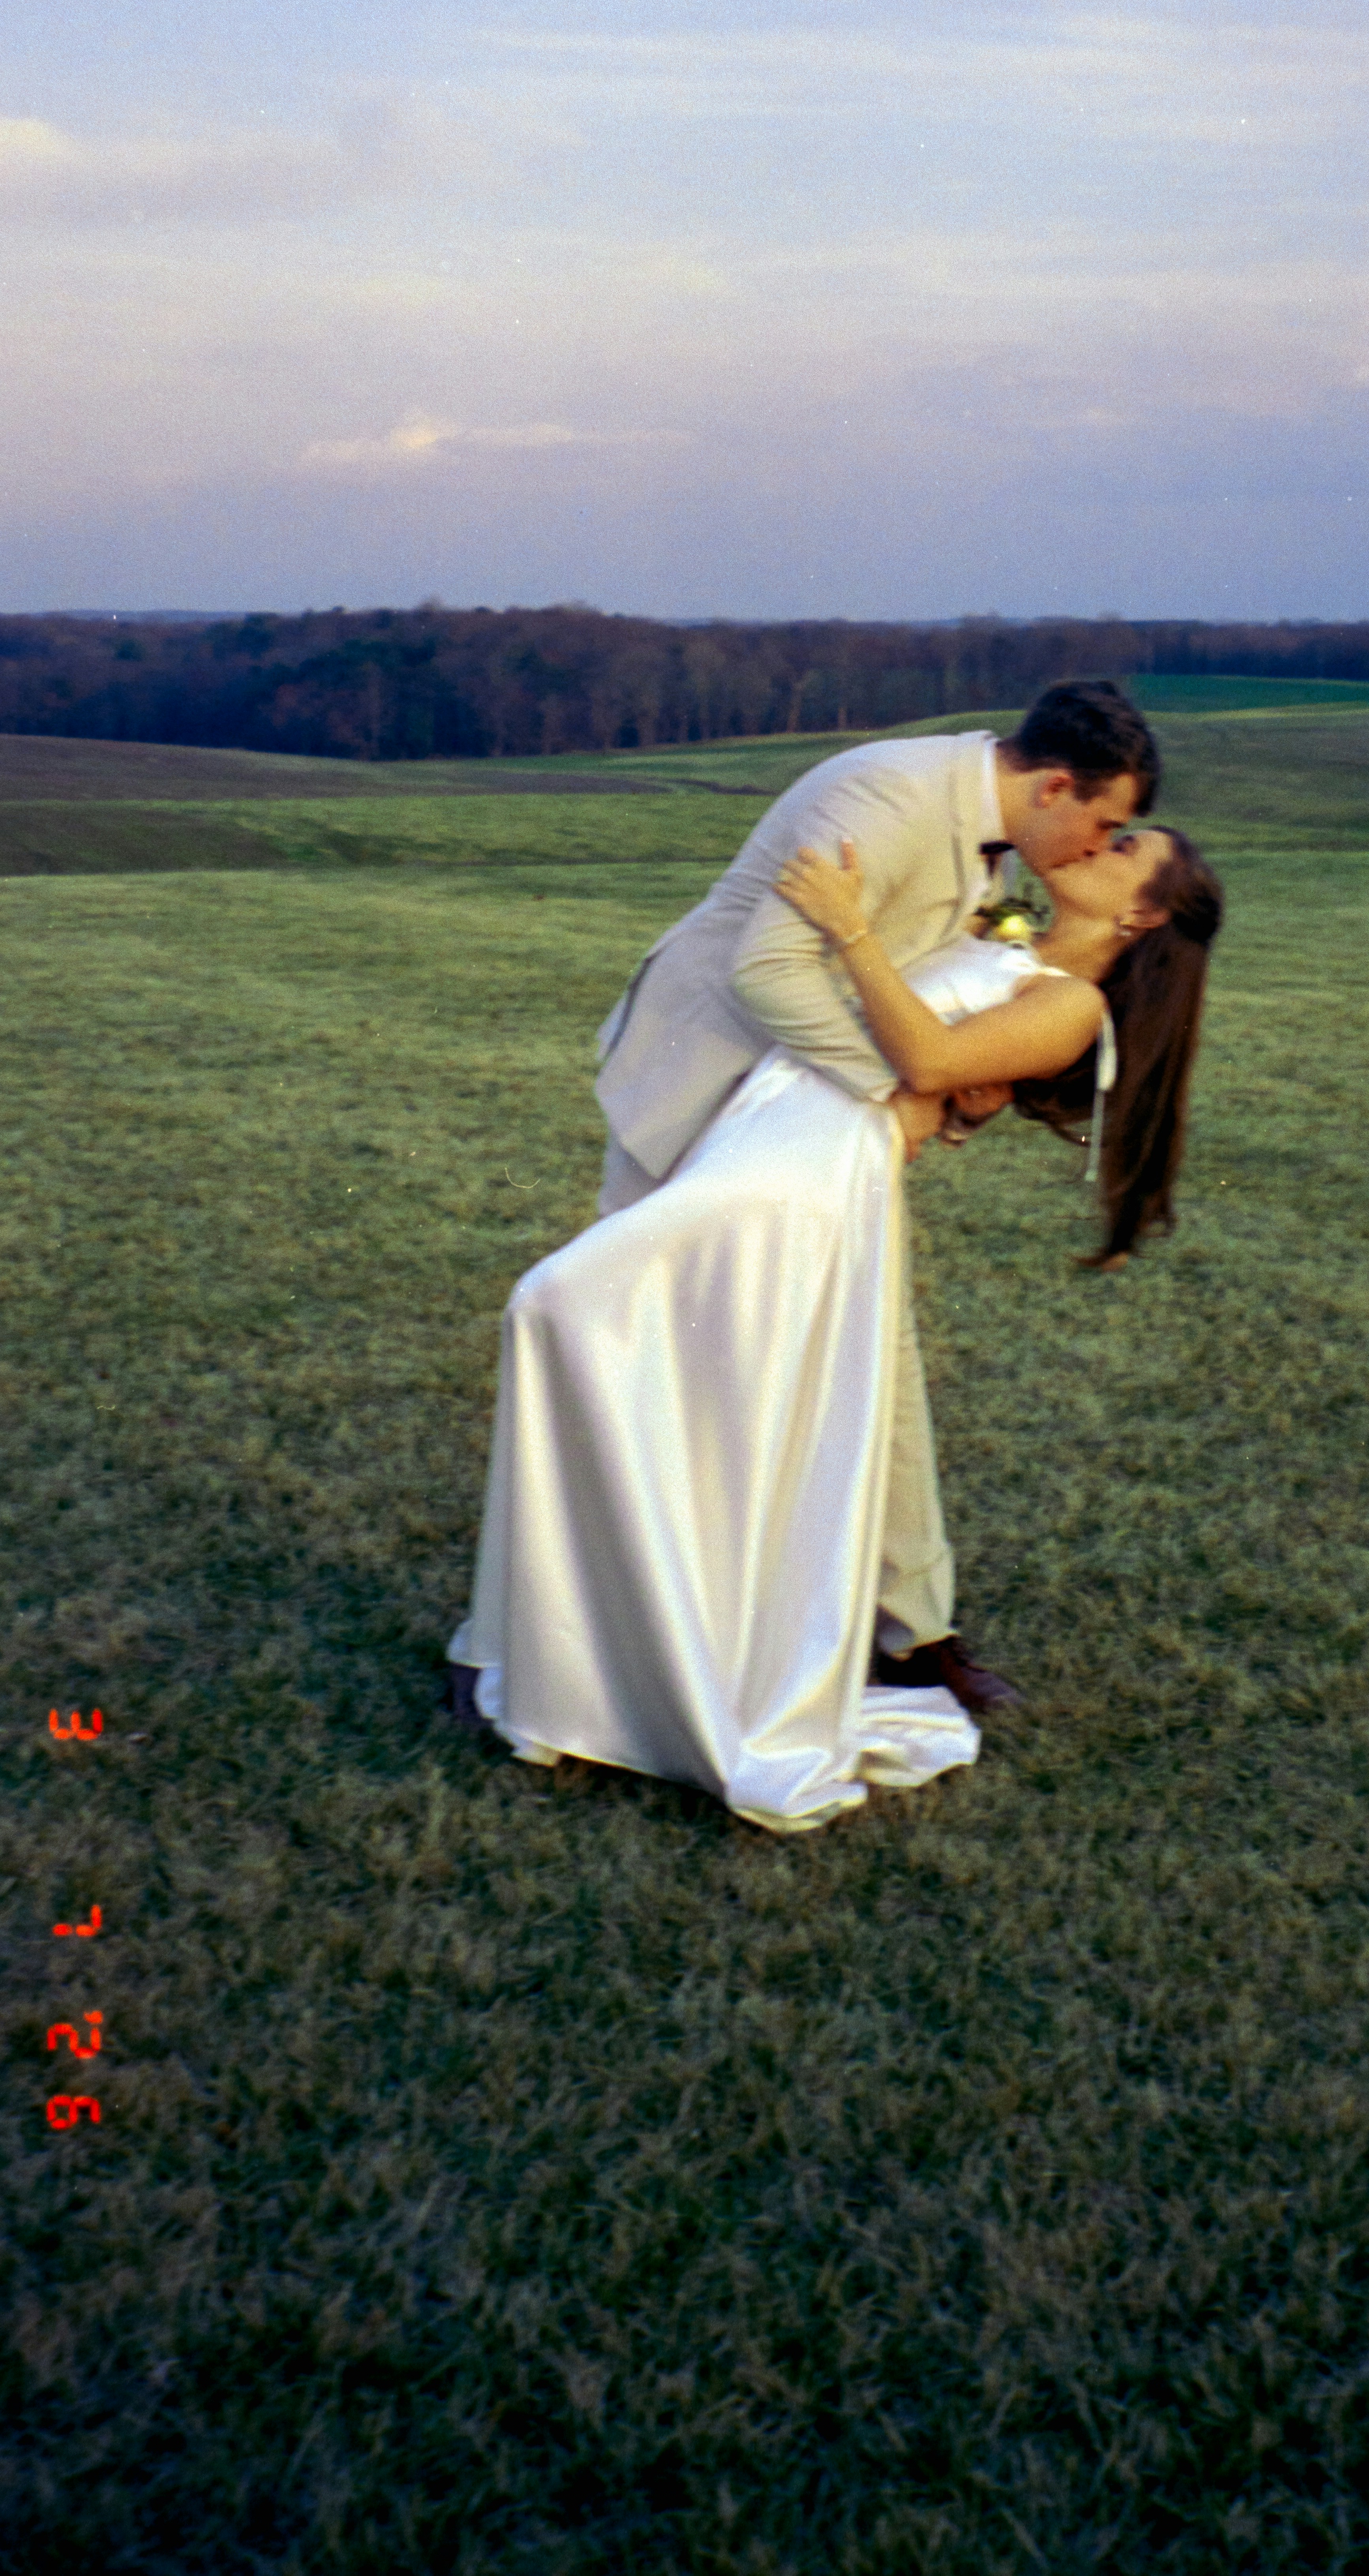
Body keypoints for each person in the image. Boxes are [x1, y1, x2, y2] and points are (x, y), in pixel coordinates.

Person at [441, 816, 1222, 1834]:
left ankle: (616, 1650)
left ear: (1143, 913)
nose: (1096, 843)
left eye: (1125, 850)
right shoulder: (999, 939)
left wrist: (850, 931)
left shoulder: (1071, 1008)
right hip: (765, 1127)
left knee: (557, 1303)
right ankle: (585, 1640)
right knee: (651, 1358)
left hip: (810, 1173)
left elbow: (928, 1055)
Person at [586, 678, 1160, 1697]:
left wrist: (950, 1078)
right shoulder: (890, 800)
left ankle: (912, 1633)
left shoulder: (996, 832)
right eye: (1104, 826)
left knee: (870, 1347)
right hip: (703, 1080)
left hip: (812, 1116)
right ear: (1056, 786)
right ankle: (586, 1634)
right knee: (630, 1351)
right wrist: (890, 1095)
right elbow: (766, 971)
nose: (1095, 849)